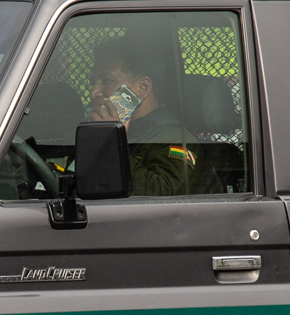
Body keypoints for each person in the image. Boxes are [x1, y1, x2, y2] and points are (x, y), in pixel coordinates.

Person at [87, 36, 210, 196]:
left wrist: (114, 147)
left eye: (106, 80)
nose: (93, 93)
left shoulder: (175, 139)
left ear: (142, 87)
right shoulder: (104, 133)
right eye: (92, 82)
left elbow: (164, 194)